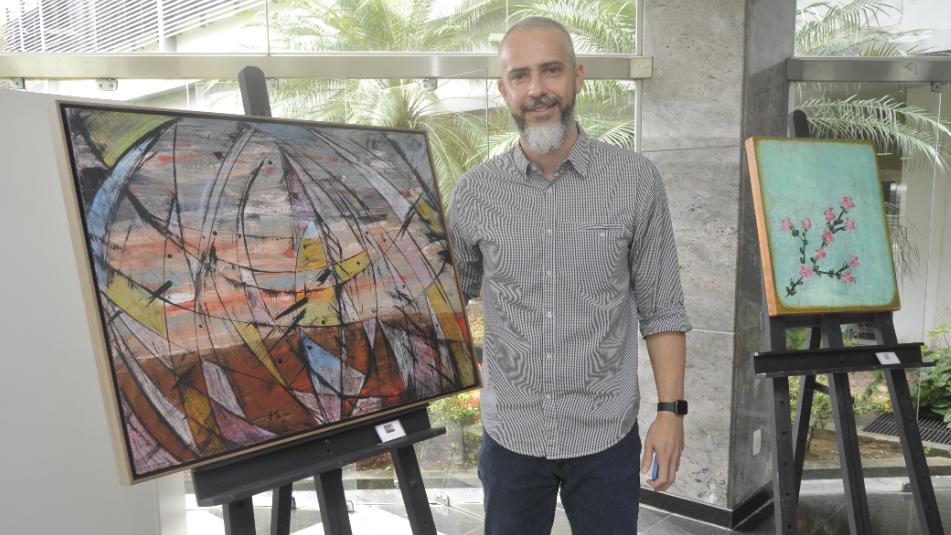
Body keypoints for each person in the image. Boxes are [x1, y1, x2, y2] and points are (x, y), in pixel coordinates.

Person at [447, 16, 692, 535]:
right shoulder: (474, 193)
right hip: (511, 436)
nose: (537, 89)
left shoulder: (635, 181)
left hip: (605, 437)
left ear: (578, 77)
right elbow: (446, 302)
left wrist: (670, 411)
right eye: (520, 76)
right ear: (504, 90)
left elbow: (662, 307)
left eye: (551, 70)